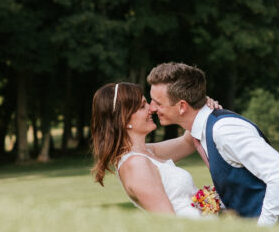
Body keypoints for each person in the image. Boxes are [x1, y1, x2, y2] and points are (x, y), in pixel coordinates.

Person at [147, 62, 279, 228]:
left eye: (158, 103)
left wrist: (263, 231)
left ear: (182, 106)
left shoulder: (224, 130)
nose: (152, 108)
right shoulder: (201, 132)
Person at [91, 82, 212, 218]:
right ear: (124, 119)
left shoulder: (147, 152)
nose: (152, 108)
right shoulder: (136, 165)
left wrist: (202, 109)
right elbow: (168, 220)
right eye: (143, 106)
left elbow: (187, 143)